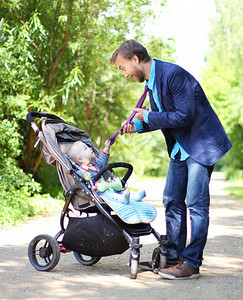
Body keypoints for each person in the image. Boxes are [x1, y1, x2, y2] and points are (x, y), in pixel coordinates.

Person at [110, 39, 232, 279]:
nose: (124, 75)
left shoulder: (174, 75)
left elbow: (183, 117)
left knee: (196, 205)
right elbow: (163, 118)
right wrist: (137, 125)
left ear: (135, 59)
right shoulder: (152, 84)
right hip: (180, 147)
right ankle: (174, 258)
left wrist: (148, 116)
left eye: (123, 68)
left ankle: (191, 264)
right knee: (172, 201)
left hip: (200, 144)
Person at [66, 140, 146, 204]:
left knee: (118, 190)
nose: (90, 148)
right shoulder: (80, 171)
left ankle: (133, 196)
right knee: (108, 194)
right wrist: (84, 166)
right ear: (80, 159)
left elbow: (102, 159)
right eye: (85, 149)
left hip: (106, 187)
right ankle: (122, 199)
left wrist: (107, 147)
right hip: (97, 194)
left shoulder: (95, 165)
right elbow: (81, 176)